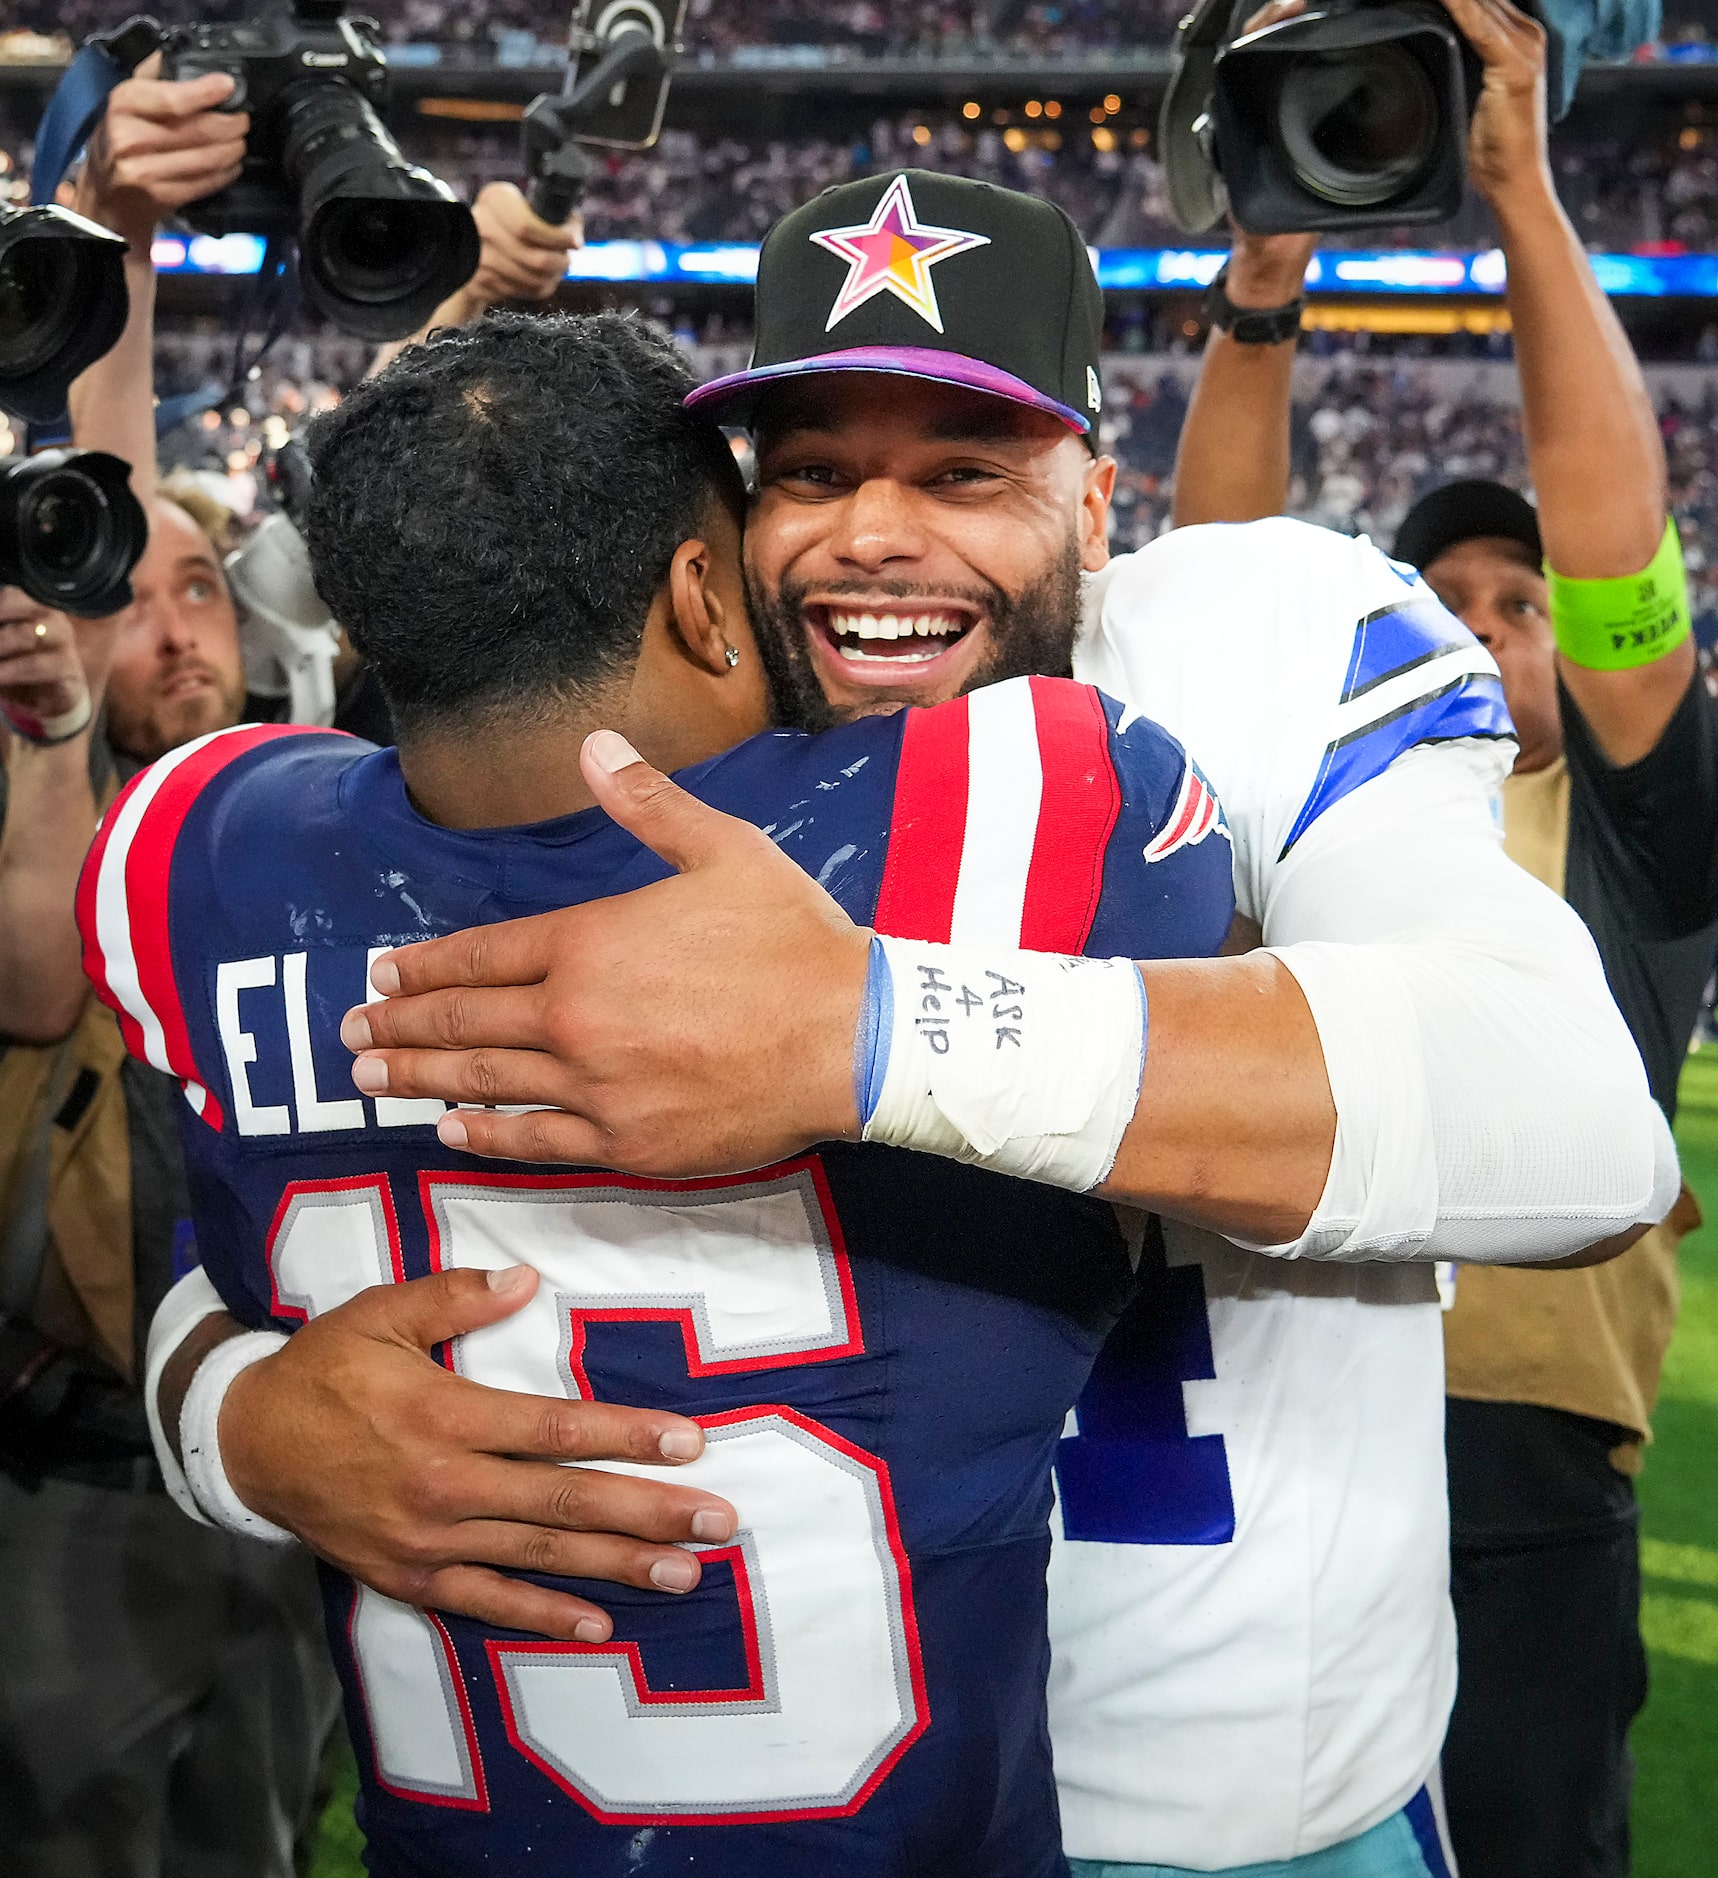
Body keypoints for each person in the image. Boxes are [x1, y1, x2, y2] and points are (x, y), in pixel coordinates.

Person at [146, 166, 1677, 1877]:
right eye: (812, 472)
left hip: (1232, 1814)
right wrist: (229, 1416)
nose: (875, 530)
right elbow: (316, 1214)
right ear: (718, 541)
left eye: (964, 471)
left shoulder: (1240, 640)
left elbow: (1575, 1124)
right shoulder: (655, 758)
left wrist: (875, 1026)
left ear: (1097, 506)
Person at [86, 308, 1242, 1874]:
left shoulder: (186, 843)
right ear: (706, 595)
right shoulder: (1004, 793)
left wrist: (223, 1416)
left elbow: (202, 1248)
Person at [1167, 1, 1718, 1871]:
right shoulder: (1337, 811)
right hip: (1289, 1398)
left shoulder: (1623, 841)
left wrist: (1518, 198)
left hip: (1520, 1453)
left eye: (1525, 599)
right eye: (1445, 598)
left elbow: (1625, 555)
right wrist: (1262, 275)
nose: (1491, 627)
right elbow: (1220, 607)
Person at [0, 59, 342, 1877]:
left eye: (208, 585)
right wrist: (115, 235)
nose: (174, 617)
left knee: (266, 1836)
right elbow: (54, 974)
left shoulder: (277, 809)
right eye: (146, 589)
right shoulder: (54, 791)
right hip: (73, 1472)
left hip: (279, 1444)